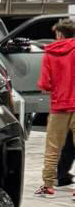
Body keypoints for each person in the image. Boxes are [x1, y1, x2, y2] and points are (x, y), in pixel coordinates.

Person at [36, 18, 75, 196]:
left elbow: (45, 84)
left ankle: (48, 184)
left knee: (52, 147)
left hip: (59, 106)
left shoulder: (50, 53)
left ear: (59, 34)